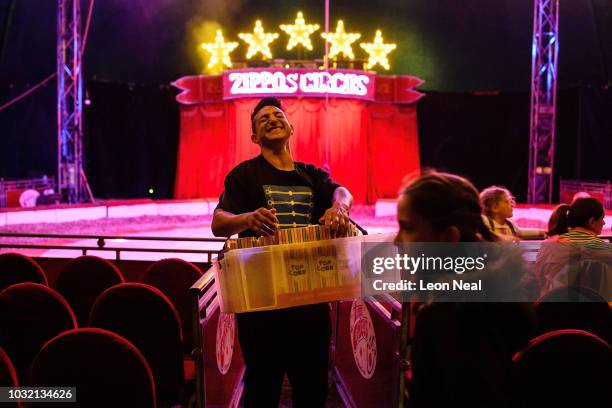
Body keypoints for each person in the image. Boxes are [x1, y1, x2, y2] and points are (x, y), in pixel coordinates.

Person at [211, 97, 352, 407]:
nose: (272, 120)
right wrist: (247, 218)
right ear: (254, 137)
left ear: (291, 127)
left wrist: (338, 207)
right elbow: (218, 222)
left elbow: (342, 191)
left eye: (278, 115)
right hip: (261, 306)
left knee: (312, 388)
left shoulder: (312, 175)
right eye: (263, 119)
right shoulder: (243, 175)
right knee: (262, 388)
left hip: (310, 302)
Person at [395, 172, 536, 408]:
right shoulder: (513, 293)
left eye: (407, 228)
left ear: (449, 238)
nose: (396, 240)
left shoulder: (441, 318)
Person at [536, 197, 612, 295]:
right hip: (570, 306)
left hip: (544, 304)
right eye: (602, 219)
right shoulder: (588, 242)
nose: (604, 223)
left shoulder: (549, 243)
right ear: (592, 222)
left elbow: (539, 277)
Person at [480, 186, 544, 240]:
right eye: (507, 201)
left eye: (511, 201)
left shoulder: (510, 224)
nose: (512, 205)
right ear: (495, 208)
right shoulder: (485, 222)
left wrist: (544, 232)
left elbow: (521, 232)